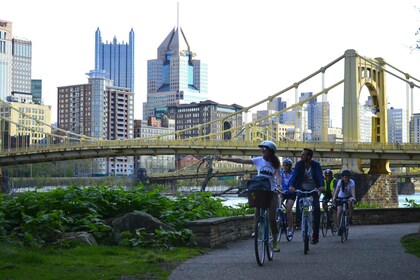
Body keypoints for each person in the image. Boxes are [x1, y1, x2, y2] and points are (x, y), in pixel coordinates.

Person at [216, 140, 281, 252]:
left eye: (264, 149)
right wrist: (223, 158)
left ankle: (275, 241)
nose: (262, 150)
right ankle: (258, 228)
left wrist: (279, 185)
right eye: (261, 148)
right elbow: (241, 160)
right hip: (261, 189)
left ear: (270, 151)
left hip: (272, 191)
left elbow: (278, 175)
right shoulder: (258, 160)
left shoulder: (275, 163)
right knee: (257, 209)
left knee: (271, 218)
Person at [289, 148, 324, 245]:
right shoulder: (299, 164)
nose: (301, 156)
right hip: (302, 188)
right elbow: (295, 175)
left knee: (317, 209)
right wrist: (292, 186)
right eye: (301, 154)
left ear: (309, 156)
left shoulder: (315, 165)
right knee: (298, 201)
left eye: (303, 155)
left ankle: (315, 236)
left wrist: (321, 186)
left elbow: (319, 175)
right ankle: (298, 221)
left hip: (313, 190)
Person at [332, 169, 356, 234]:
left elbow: (352, 190)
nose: (346, 179)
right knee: (339, 211)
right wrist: (334, 198)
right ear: (342, 177)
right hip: (340, 197)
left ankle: (350, 218)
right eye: (345, 177)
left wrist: (353, 198)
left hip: (349, 197)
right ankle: (339, 227)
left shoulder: (352, 182)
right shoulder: (340, 182)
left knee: (350, 202)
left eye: (348, 177)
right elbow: (336, 190)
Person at [279, 158, 296, 239]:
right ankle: (278, 221)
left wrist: (294, 187)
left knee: (288, 209)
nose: (285, 167)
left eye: (287, 165)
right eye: (284, 165)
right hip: (283, 193)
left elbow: (297, 182)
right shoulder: (281, 173)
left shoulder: (294, 173)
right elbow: (277, 181)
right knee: (277, 205)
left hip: (291, 194)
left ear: (290, 166)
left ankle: (290, 228)